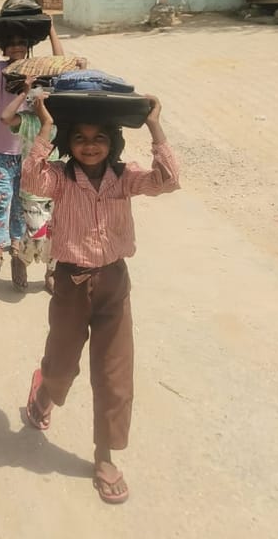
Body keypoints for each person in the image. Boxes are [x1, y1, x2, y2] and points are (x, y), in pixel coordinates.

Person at [21, 95, 179, 504]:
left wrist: (155, 127)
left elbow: (168, 180)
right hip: (71, 283)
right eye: (80, 138)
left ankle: (104, 455)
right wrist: (45, 127)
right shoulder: (58, 176)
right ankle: (43, 392)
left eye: (99, 138)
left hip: (113, 282)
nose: (90, 145)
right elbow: (31, 180)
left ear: (113, 142)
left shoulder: (125, 177)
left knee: (114, 374)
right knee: (62, 367)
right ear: (68, 142)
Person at [0, 18, 63, 278]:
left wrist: (51, 29)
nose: (16, 47)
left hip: (30, 148)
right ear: (5, 46)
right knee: (2, 195)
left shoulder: (37, 68)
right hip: (4, 145)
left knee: (20, 199)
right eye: (11, 43)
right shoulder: (0, 69)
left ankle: (16, 241)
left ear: (28, 46)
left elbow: (60, 64)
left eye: (21, 43)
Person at [0, 80, 59, 294]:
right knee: (37, 234)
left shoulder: (65, 121)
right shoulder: (29, 121)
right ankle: (21, 259)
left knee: (57, 236)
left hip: (59, 188)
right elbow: (5, 118)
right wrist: (24, 94)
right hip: (33, 189)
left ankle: (50, 273)